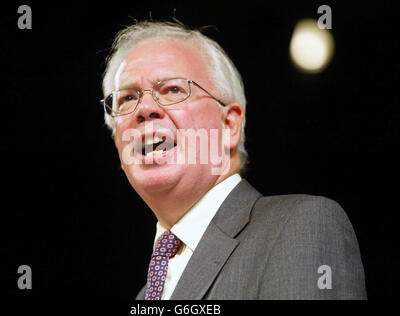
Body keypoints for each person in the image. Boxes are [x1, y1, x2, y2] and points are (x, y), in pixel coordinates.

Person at [100, 20, 366, 299]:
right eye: (127, 98)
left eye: (173, 90)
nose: (145, 109)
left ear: (229, 125)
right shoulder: (145, 297)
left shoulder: (299, 229)